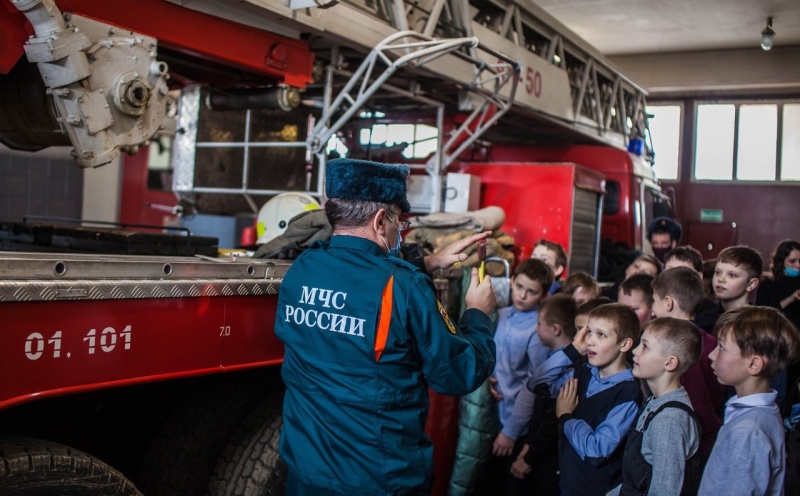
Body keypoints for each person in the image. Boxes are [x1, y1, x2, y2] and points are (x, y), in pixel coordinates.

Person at [275, 158, 497, 495]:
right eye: (400, 222)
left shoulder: (304, 267)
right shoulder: (405, 287)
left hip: (306, 474)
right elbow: (459, 373)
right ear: (381, 221)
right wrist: (477, 314)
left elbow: (358, 275)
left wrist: (429, 261)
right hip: (378, 478)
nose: (400, 231)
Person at [530, 303, 643, 496]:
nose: (590, 341)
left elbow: (596, 451)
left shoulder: (628, 393)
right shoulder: (584, 373)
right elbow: (537, 383)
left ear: (625, 344)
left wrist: (566, 417)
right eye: (589, 332)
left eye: (601, 335)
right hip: (568, 484)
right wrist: (573, 350)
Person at [699, 306, 800, 496]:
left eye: (721, 348)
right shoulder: (762, 412)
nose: (712, 355)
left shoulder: (749, 432)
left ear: (753, 364)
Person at [609, 317, 702, 496]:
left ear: (670, 363)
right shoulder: (654, 403)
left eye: (645, 346)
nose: (635, 351)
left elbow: (664, 490)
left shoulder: (668, 420)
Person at [651, 267, 725, 460]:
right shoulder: (710, 340)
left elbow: (695, 402)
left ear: (668, 303)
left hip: (693, 445)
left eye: (654, 301)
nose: (652, 309)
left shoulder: (681, 349)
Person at [489, 259, 554, 475]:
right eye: (519, 287)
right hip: (492, 414)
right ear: (512, 281)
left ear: (544, 296)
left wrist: (511, 432)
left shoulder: (537, 329)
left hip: (516, 424)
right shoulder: (502, 314)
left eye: (531, 292)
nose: (522, 296)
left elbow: (534, 385)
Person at [509, 294, 577, 495]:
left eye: (539, 323)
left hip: (548, 459)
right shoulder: (552, 358)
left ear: (555, 329)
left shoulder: (566, 370)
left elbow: (551, 420)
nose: (536, 329)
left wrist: (530, 457)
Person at [694, 245, 763, 334]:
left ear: (751, 284)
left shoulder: (761, 325)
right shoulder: (701, 321)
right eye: (718, 272)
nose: (721, 279)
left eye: (732, 275)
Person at [664, 246, 716, 314]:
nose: (675, 275)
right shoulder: (655, 305)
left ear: (699, 276)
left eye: (683, 271)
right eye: (670, 270)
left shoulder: (711, 312)